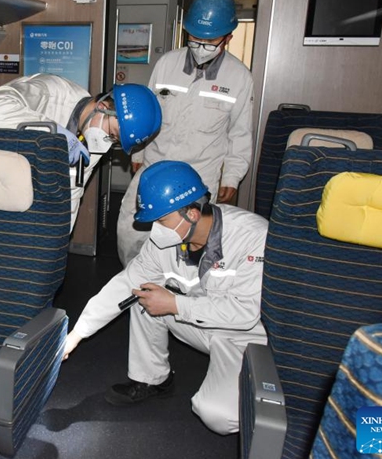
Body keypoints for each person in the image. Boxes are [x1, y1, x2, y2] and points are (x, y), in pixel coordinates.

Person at [63, 161, 269, 435]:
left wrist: (175, 304)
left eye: (161, 220)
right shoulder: (168, 240)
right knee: (144, 296)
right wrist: (77, 334)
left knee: (216, 415)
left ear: (193, 214)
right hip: (200, 320)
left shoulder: (253, 237)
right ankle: (153, 379)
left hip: (242, 336)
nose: (155, 229)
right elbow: (126, 284)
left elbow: (245, 312)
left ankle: (260, 392)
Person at [116, 0, 254, 266]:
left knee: (184, 247)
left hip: (199, 176)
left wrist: (232, 178)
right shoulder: (167, 64)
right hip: (155, 166)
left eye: (210, 40)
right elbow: (148, 114)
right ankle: (133, 285)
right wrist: (138, 155)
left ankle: (175, 300)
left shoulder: (240, 78)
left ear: (228, 37)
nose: (201, 44)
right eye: (195, 37)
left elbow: (240, 133)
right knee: (130, 234)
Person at [0, 73, 161, 231]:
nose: (106, 142)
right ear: (102, 107)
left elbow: (73, 188)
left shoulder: (93, 139)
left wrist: (59, 234)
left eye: (115, 141)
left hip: (13, 177)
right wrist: (54, 132)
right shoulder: (51, 91)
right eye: (112, 133)